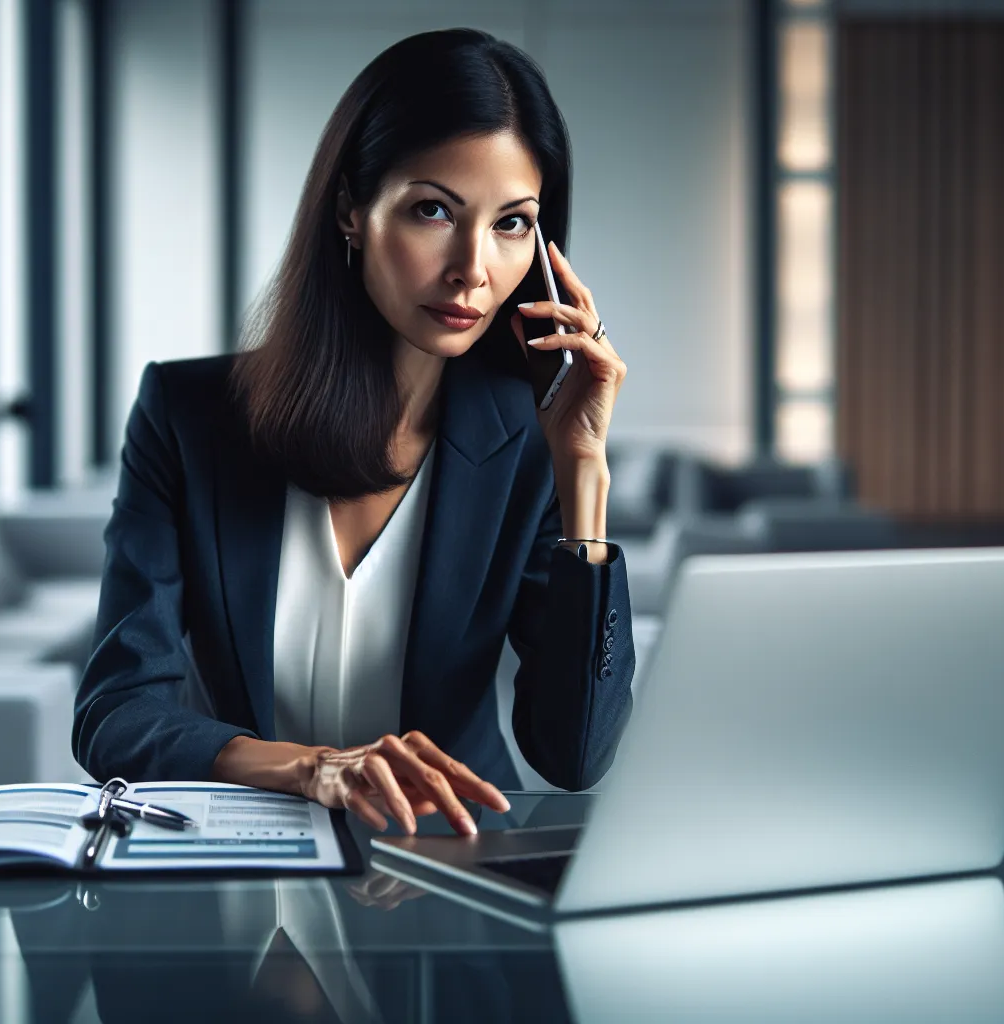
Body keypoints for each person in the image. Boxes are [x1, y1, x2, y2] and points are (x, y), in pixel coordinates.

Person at [73, 27, 634, 839]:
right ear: (350, 211)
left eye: (512, 224)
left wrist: (582, 471)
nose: (473, 267)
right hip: (229, 868)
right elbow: (116, 713)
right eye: (433, 210)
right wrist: (309, 768)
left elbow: (574, 758)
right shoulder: (189, 417)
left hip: (452, 878)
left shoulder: (526, 445)